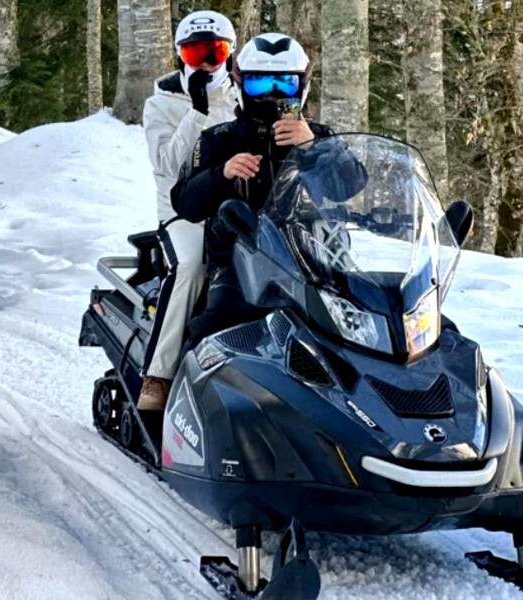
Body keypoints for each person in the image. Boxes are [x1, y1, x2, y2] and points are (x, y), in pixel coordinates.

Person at [171, 33, 365, 347]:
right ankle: (182, 388)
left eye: (284, 85)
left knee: (375, 328)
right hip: (240, 264)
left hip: (318, 262)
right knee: (213, 333)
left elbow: (353, 184)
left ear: (302, 86)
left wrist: (312, 147)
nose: (271, 96)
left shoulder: (319, 136)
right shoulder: (219, 139)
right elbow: (184, 203)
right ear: (239, 84)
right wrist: (222, 173)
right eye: (259, 85)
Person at [137, 11, 239, 411]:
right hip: (185, 213)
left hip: (238, 210)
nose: (207, 62)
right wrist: (196, 113)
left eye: (217, 51)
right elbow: (167, 164)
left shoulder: (241, 95)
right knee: (194, 268)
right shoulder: (160, 104)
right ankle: (157, 376)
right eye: (196, 51)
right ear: (180, 55)